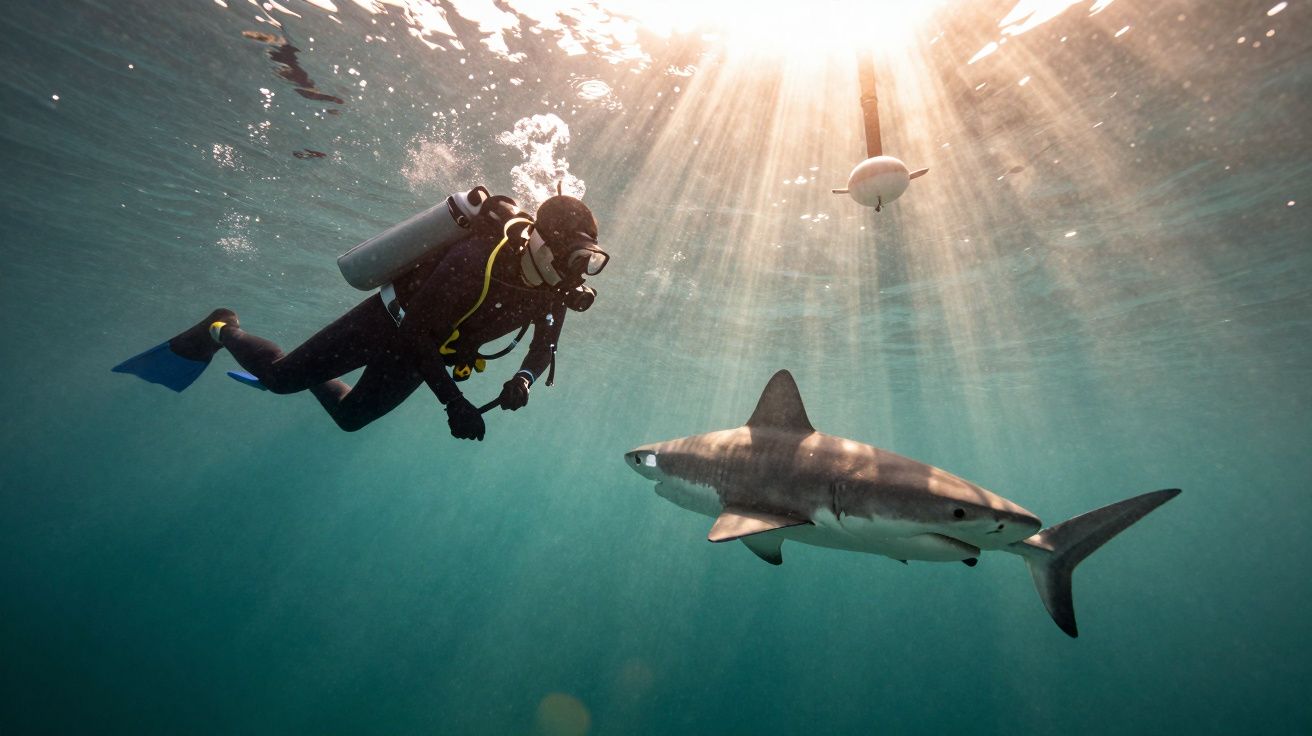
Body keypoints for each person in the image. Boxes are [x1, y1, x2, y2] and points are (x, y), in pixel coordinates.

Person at [113, 192, 606, 441]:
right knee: (283, 380)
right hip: (391, 324)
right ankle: (221, 326)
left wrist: (521, 379)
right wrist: (453, 402)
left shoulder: (554, 288)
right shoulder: (475, 259)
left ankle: (307, 367)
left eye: (584, 262)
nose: (575, 273)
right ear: (543, 243)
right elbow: (415, 334)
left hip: (427, 353)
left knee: (351, 417)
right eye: (572, 258)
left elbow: (545, 348)